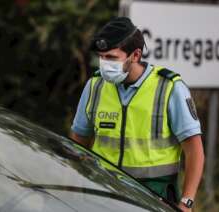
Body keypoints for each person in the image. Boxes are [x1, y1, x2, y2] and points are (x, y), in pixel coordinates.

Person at [70, 17, 204, 212]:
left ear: (135, 55)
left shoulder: (168, 87)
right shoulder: (95, 86)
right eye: (102, 57)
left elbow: (195, 152)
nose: (104, 64)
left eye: (112, 58)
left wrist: (186, 202)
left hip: (153, 199)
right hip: (101, 196)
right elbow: (77, 143)